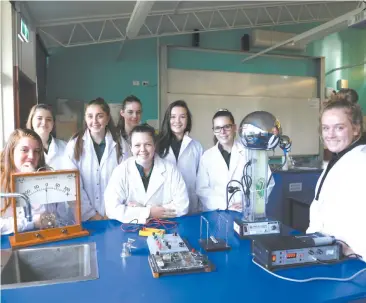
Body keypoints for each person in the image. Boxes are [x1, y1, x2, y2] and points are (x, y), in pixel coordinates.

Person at [307, 99, 366, 259]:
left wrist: (356, 250)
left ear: (356, 129)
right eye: (326, 128)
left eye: (339, 128)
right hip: (329, 253)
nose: (330, 134)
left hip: (354, 263)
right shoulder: (338, 159)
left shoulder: (362, 161)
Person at [105, 124, 189, 224]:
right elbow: (111, 209)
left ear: (155, 146)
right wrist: (149, 212)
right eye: (137, 145)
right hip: (130, 229)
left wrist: (138, 211)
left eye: (148, 144)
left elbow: (182, 205)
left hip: (164, 227)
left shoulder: (170, 169)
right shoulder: (121, 171)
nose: (142, 149)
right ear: (131, 147)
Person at [196, 109, 274, 212]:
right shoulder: (206, 157)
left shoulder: (251, 152)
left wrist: (249, 201)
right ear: (214, 131)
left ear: (235, 128)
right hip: (216, 211)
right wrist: (225, 204)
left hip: (245, 211)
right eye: (218, 128)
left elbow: (266, 181)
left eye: (227, 127)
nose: (222, 132)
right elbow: (202, 189)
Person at [1, 129, 71, 234]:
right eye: (24, 150)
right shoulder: (2, 180)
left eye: (36, 151)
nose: (31, 156)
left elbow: (63, 219)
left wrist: (33, 178)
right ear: (11, 151)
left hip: (48, 240)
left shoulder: (50, 177)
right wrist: (31, 223)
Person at [64, 98, 123, 221]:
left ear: (107, 119)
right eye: (90, 116)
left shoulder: (121, 144)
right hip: (83, 217)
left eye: (99, 116)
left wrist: (112, 212)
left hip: (113, 216)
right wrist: (91, 215)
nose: (94, 121)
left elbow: (125, 182)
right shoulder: (74, 145)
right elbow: (72, 185)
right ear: (85, 118)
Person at [156, 100, 203, 213]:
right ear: (168, 119)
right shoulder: (157, 144)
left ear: (188, 120)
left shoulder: (196, 147)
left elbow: (201, 179)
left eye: (182, 117)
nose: (177, 121)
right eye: (173, 117)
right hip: (163, 205)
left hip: (191, 204)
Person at [26, 104, 66, 170]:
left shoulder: (65, 146)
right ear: (31, 121)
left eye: (48, 119)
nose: (44, 123)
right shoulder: (23, 148)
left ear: (53, 123)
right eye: (39, 118)